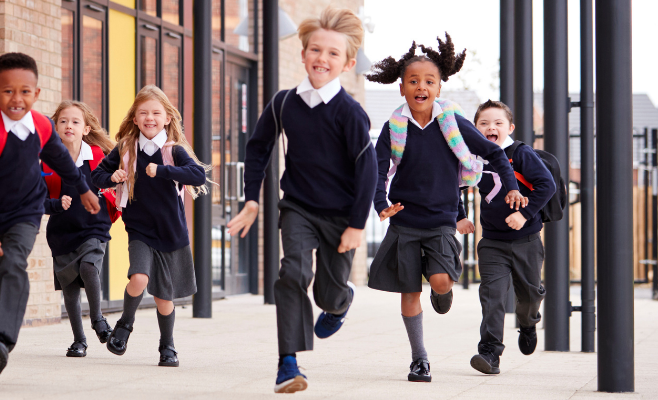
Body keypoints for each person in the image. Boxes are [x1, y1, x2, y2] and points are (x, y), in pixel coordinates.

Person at [226, 6, 374, 394]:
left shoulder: (351, 113)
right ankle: (288, 363)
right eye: (315, 50)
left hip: (342, 216)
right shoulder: (284, 102)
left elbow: (367, 170)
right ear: (304, 52)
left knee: (328, 291)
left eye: (332, 53)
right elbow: (258, 148)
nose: (322, 58)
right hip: (298, 208)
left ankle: (340, 301)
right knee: (292, 272)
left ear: (347, 63)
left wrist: (358, 225)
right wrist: (252, 199)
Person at [365, 34, 525, 383]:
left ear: (439, 87)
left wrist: (511, 187)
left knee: (438, 281)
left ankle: (443, 291)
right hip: (405, 220)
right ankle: (419, 359)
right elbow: (377, 169)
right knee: (409, 292)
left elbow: (495, 153)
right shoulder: (394, 127)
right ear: (402, 88)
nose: (421, 86)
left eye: (429, 81)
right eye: (413, 81)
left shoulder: (452, 123)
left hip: (440, 220)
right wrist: (381, 203)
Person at [0, 52, 101, 379]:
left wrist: (83, 188)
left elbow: (62, 161)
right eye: (8, 91)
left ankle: (1, 342)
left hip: (26, 213)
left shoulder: (40, 126)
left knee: (13, 265)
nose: (17, 98)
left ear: (36, 94)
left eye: (25, 91)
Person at [91, 85, 208, 368]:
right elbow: (97, 175)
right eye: (143, 113)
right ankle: (124, 326)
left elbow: (197, 175)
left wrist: (164, 171)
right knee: (139, 278)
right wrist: (113, 177)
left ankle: (167, 347)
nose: (149, 118)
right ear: (134, 118)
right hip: (140, 230)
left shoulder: (173, 150)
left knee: (163, 297)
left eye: (156, 113)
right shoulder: (126, 148)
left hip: (171, 232)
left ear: (167, 117)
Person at [468, 100, 551, 375]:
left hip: (526, 240)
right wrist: (458, 215)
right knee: (492, 297)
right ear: (476, 128)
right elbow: (452, 183)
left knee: (529, 295)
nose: (491, 127)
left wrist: (524, 215)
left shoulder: (520, 153)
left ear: (510, 128)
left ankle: (528, 323)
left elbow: (546, 185)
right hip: (492, 242)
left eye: (498, 123)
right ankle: (490, 353)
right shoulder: (474, 157)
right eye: (484, 123)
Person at [43, 101, 117, 357]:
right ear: (55, 127)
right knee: (70, 288)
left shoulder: (98, 156)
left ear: (86, 129)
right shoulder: (47, 160)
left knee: (88, 267)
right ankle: (79, 341)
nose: (69, 126)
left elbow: (114, 186)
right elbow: (35, 198)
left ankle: (98, 319)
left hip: (94, 227)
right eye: (63, 121)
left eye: (75, 121)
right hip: (62, 230)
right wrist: (54, 204)